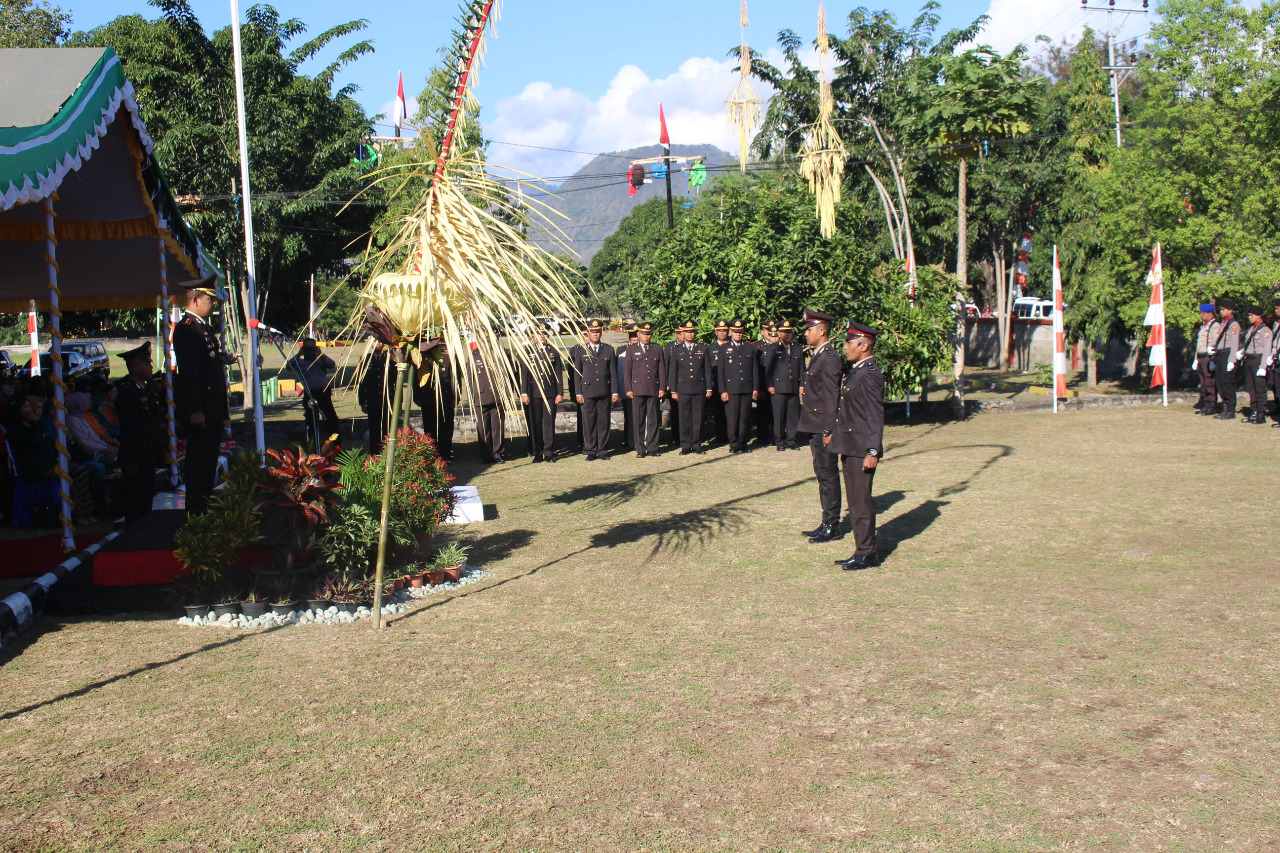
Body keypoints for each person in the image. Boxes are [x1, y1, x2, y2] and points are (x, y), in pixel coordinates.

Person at [172, 274, 234, 515]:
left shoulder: (201, 329)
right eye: (209, 298)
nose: (213, 303)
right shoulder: (187, 330)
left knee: (209, 463)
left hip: (212, 410)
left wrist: (220, 359)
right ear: (196, 300)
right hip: (201, 412)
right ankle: (196, 513)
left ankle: (204, 509)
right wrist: (196, 410)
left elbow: (204, 361)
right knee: (199, 465)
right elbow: (189, 374)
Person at [829, 321, 885, 570]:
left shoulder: (869, 374)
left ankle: (867, 553)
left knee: (861, 502)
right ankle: (862, 549)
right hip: (850, 446)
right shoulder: (857, 370)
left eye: (849, 343)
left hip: (861, 449)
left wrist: (872, 451)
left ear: (863, 346)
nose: (845, 347)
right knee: (854, 501)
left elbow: (875, 415)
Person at [9, 394, 99, 524]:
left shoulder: (36, 426)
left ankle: (87, 511)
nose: (30, 410)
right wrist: (36, 423)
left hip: (49, 463)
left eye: (29, 406)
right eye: (26, 407)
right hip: (37, 469)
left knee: (83, 471)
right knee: (76, 474)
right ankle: (79, 513)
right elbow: (33, 444)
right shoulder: (16, 430)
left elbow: (47, 445)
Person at [797, 309, 843, 543]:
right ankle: (827, 520)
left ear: (822, 331)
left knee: (828, 475)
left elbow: (831, 397)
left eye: (810, 329)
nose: (806, 333)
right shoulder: (819, 355)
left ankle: (832, 525)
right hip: (816, 425)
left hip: (823, 427)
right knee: (822, 474)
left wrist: (828, 429)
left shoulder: (829, 358)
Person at [115, 342, 161, 526]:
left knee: (146, 498)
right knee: (136, 500)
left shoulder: (144, 391)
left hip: (147, 453)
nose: (151, 366)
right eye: (146, 363)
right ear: (134, 367)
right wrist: (131, 460)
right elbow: (130, 429)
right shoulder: (128, 393)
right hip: (137, 455)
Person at [571, 319, 619, 461]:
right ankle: (591, 449)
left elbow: (613, 373)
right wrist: (578, 392)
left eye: (598, 332)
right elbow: (577, 374)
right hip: (587, 392)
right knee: (589, 422)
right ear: (588, 333)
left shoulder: (608, 349)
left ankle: (603, 449)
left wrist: (615, 391)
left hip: (604, 390)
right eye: (592, 332)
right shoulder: (580, 350)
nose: (595, 334)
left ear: (601, 333)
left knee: (603, 421)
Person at [667, 321, 713, 454]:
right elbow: (673, 372)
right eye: (687, 332)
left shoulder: (703, 348)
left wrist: (709, 388)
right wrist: (674, 390)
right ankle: (686, 445)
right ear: (683, 333)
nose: (689, 334)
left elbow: (707, 370)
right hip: (683, 389)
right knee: (684, 418)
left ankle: (697, 445)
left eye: (692, 331)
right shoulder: (676, 350)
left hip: (699, 388)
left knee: (698, 418)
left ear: (695, 333)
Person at [521, 325, 564, 463]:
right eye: (539, 334)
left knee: (548, 424)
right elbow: (525, 375)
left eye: (544, 334)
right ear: (533, 336)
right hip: (533, 394)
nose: (542, 336)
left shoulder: (553, 352)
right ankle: (538, 452)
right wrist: (524, 393)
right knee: (536, 424)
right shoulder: (527, 351)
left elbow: (558, 374)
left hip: (550, 393)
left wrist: (560, 392)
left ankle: (549, 452)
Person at [624, 321, 667, 457]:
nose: (646, 337)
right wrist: (628, 388)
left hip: (653, 388)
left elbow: (661, 369)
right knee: (638, 420)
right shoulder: (631, 349)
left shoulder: (657, 348)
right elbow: (627, 371)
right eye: (643, 334)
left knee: (654, 419)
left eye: (649, 334)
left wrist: (661, 387)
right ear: (638, 334)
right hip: (637, 389)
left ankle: (653, 447)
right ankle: (640, 449)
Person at [288, 337, 339, 448]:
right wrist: (299, 354)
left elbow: (332, 364)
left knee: (331, 420)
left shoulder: (321, 360)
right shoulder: (301, 363)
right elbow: (289, 366)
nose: (310, 351)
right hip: (310, 394)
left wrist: (320, 354)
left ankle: (336, 443)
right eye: (307, 348)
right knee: (311, 422)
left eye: (312, 347)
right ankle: (313, 446)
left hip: (324, 393)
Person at [763, 319, 804, 450]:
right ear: (779, 333)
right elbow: (768, 369)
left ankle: (792, 440)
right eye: (784, 332)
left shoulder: (797, 348)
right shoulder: (772, 348)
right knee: (779, 416)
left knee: (793, 416)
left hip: (793, 386)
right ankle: (780, 441)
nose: (787, 334)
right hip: (778, 387)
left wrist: (802, 384)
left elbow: (802, 368)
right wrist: (770, 385)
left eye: (789, 332)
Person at [717, 319, 757, 453]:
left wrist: (755, 388)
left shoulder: (750, 348)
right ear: (730, 332)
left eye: (740, 332)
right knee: (733, 418)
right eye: (735, 332)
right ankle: (734, 444)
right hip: (731, 389)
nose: (738, 335)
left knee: (745, 418)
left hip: (746, 388)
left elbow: (754, 370)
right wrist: (723, 390)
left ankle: (743, 443)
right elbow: (720, 372)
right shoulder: (724, 349)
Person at [418, 343, 457, 460]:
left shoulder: (448, 358)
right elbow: (417, 377)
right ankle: (431, 453)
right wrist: (417, 397)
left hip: (445, 400)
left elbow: (454, 379)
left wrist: (455, 398)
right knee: (430, 427)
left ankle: (446, 454)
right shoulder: (422, 357)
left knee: (446, 427)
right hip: (428, 399)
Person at [469, 343, 506, 463]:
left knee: (497, 426)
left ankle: (498, 453)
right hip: (481, 396)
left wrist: (506, 396)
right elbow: (470, 379)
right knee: (484, 427)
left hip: (497, 396)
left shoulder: (497, 356)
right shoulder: (474, 357)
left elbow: (505, 377)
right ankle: (486, 453)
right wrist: (472, 397)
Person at [359, 343, 393, 453]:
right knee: (374, 430)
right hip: (372, 400)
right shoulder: (366, 359)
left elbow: (395, 381)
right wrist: (362, 401)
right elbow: (361, 382)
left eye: (380, 341)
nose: (378, 344)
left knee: (388, 429)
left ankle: (387, 453)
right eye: (375, 341)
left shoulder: (390, 357)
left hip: (387, 400)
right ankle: (374, 453)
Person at [1240, 305, 1272, 424]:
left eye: (1252, 315)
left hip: (1258, 360)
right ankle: (1254, 411)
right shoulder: (1251, 329)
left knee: (1260, 388)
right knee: (1251, 387)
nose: (1250, 317)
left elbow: (1267, 349)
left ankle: (1261, 413)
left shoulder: (1265, 331)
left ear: (1258, 316)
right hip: (1249, 359)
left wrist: (1263, 367)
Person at [1212, 298, 1241, 420]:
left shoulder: (1233, 325)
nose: (1221, 311)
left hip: (1228, 354)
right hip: (1220, 354)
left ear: (1230, 310)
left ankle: (1230, 409)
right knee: (1220, 382)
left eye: (1223, 309)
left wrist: (1232, 360)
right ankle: (1225, 406)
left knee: (1228, 383)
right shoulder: (1224, 323)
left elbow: (1234, 343)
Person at [1192, 303, 1220, 415]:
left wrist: (1213, 359)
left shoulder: (1214, 325)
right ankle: (1206, 404)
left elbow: (1214, 343)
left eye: (1203, 313)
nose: (1201, 315)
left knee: (1210, 382)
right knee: (1203, 382)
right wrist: (1196, 359)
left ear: (1210, 314)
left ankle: (1211, 405)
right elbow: (1199, 344)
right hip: (1201, 357)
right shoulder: (1204, 325)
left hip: (1208, 358)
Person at [754, 322, 778, 446]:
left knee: (776, 412)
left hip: (777, 385)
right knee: (763, 412)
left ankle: (775, 436)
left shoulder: (780, 346)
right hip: (763, 385)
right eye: (767, 330)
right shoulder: (757, 347)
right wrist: (759, 388)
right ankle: (762, 437)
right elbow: (756, 370)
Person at [709, 319, 731, 444]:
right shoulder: (711, 348)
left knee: (731, 412)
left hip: (730, 384)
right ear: (716, 332)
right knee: (719, 412)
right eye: (720, 331)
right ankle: (720, 436)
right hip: (716, 384)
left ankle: (731, 435)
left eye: (724, 331)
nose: (722, 333)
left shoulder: (731, 347)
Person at [617, 325, 637, 450]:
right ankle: (629, 439)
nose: (635, 342)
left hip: (639, 388)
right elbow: (620, 374)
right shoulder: (621, 351)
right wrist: (621, 391)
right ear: (629, 339)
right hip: (627, 389)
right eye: (633, 340)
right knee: (629, 416)